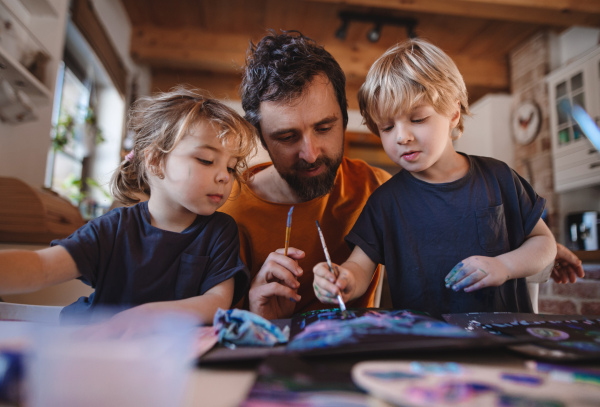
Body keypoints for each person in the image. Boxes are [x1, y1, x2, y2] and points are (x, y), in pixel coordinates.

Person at [312, 39, 558, 318]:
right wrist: (342, 279)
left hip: (505, 343)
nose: (402, 137)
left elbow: (545, 243)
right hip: (425, 348)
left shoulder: (499, 177)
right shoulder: (385, 202)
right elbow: (358, 268)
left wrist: (505, 266)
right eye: (387, 127)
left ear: (453, 113)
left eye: (417, 119)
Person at [0, 86, 256, 330]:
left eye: (231, 167)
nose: (224, 176)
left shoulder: (221, 231)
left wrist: (151, 315)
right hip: (98, 346)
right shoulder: (114, 227)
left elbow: (217, 302)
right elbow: (42, 267)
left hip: (171, 356)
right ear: (155, 160)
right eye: (206, 160)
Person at [219, 31, 391, 320]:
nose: (310, 154)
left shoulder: (379, 189)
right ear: (262, 139)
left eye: (324, 128)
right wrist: (254, 314)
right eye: (287, 137)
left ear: (344, 121)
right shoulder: (226, 213)